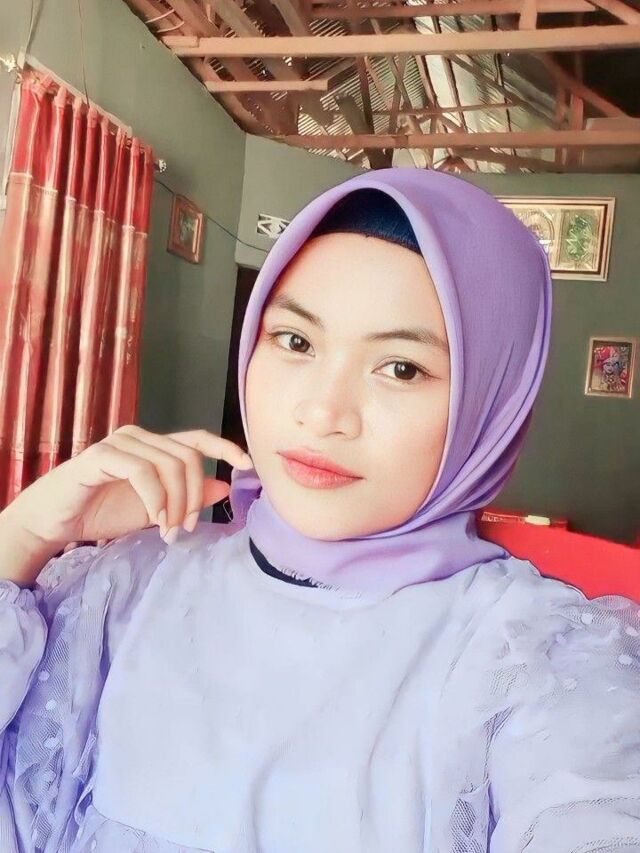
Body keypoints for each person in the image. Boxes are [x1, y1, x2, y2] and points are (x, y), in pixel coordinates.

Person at [0, 169, 638, 853]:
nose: (322, 411)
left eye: (401, 368)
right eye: (296, 341)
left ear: (490, 406)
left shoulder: (531, 660)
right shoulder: (127, 585)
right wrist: (24, 534)